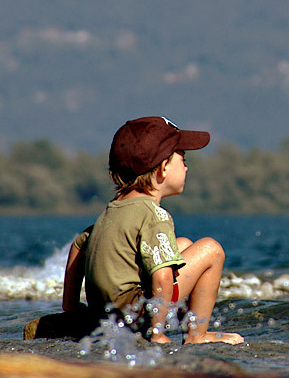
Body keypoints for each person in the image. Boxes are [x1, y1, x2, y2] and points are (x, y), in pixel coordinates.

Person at [62, 116, 243, 345]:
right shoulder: (154, 215)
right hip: (137, 317)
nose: (186, 167)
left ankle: (178, 326)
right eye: (183, 159)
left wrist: (73, 309)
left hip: (105, 318)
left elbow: (79, 245)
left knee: (184, 245)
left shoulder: (109, 213)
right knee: (211, 249)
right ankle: (197, 335)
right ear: (164, 168)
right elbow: (163, 276)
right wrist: (157, 333)